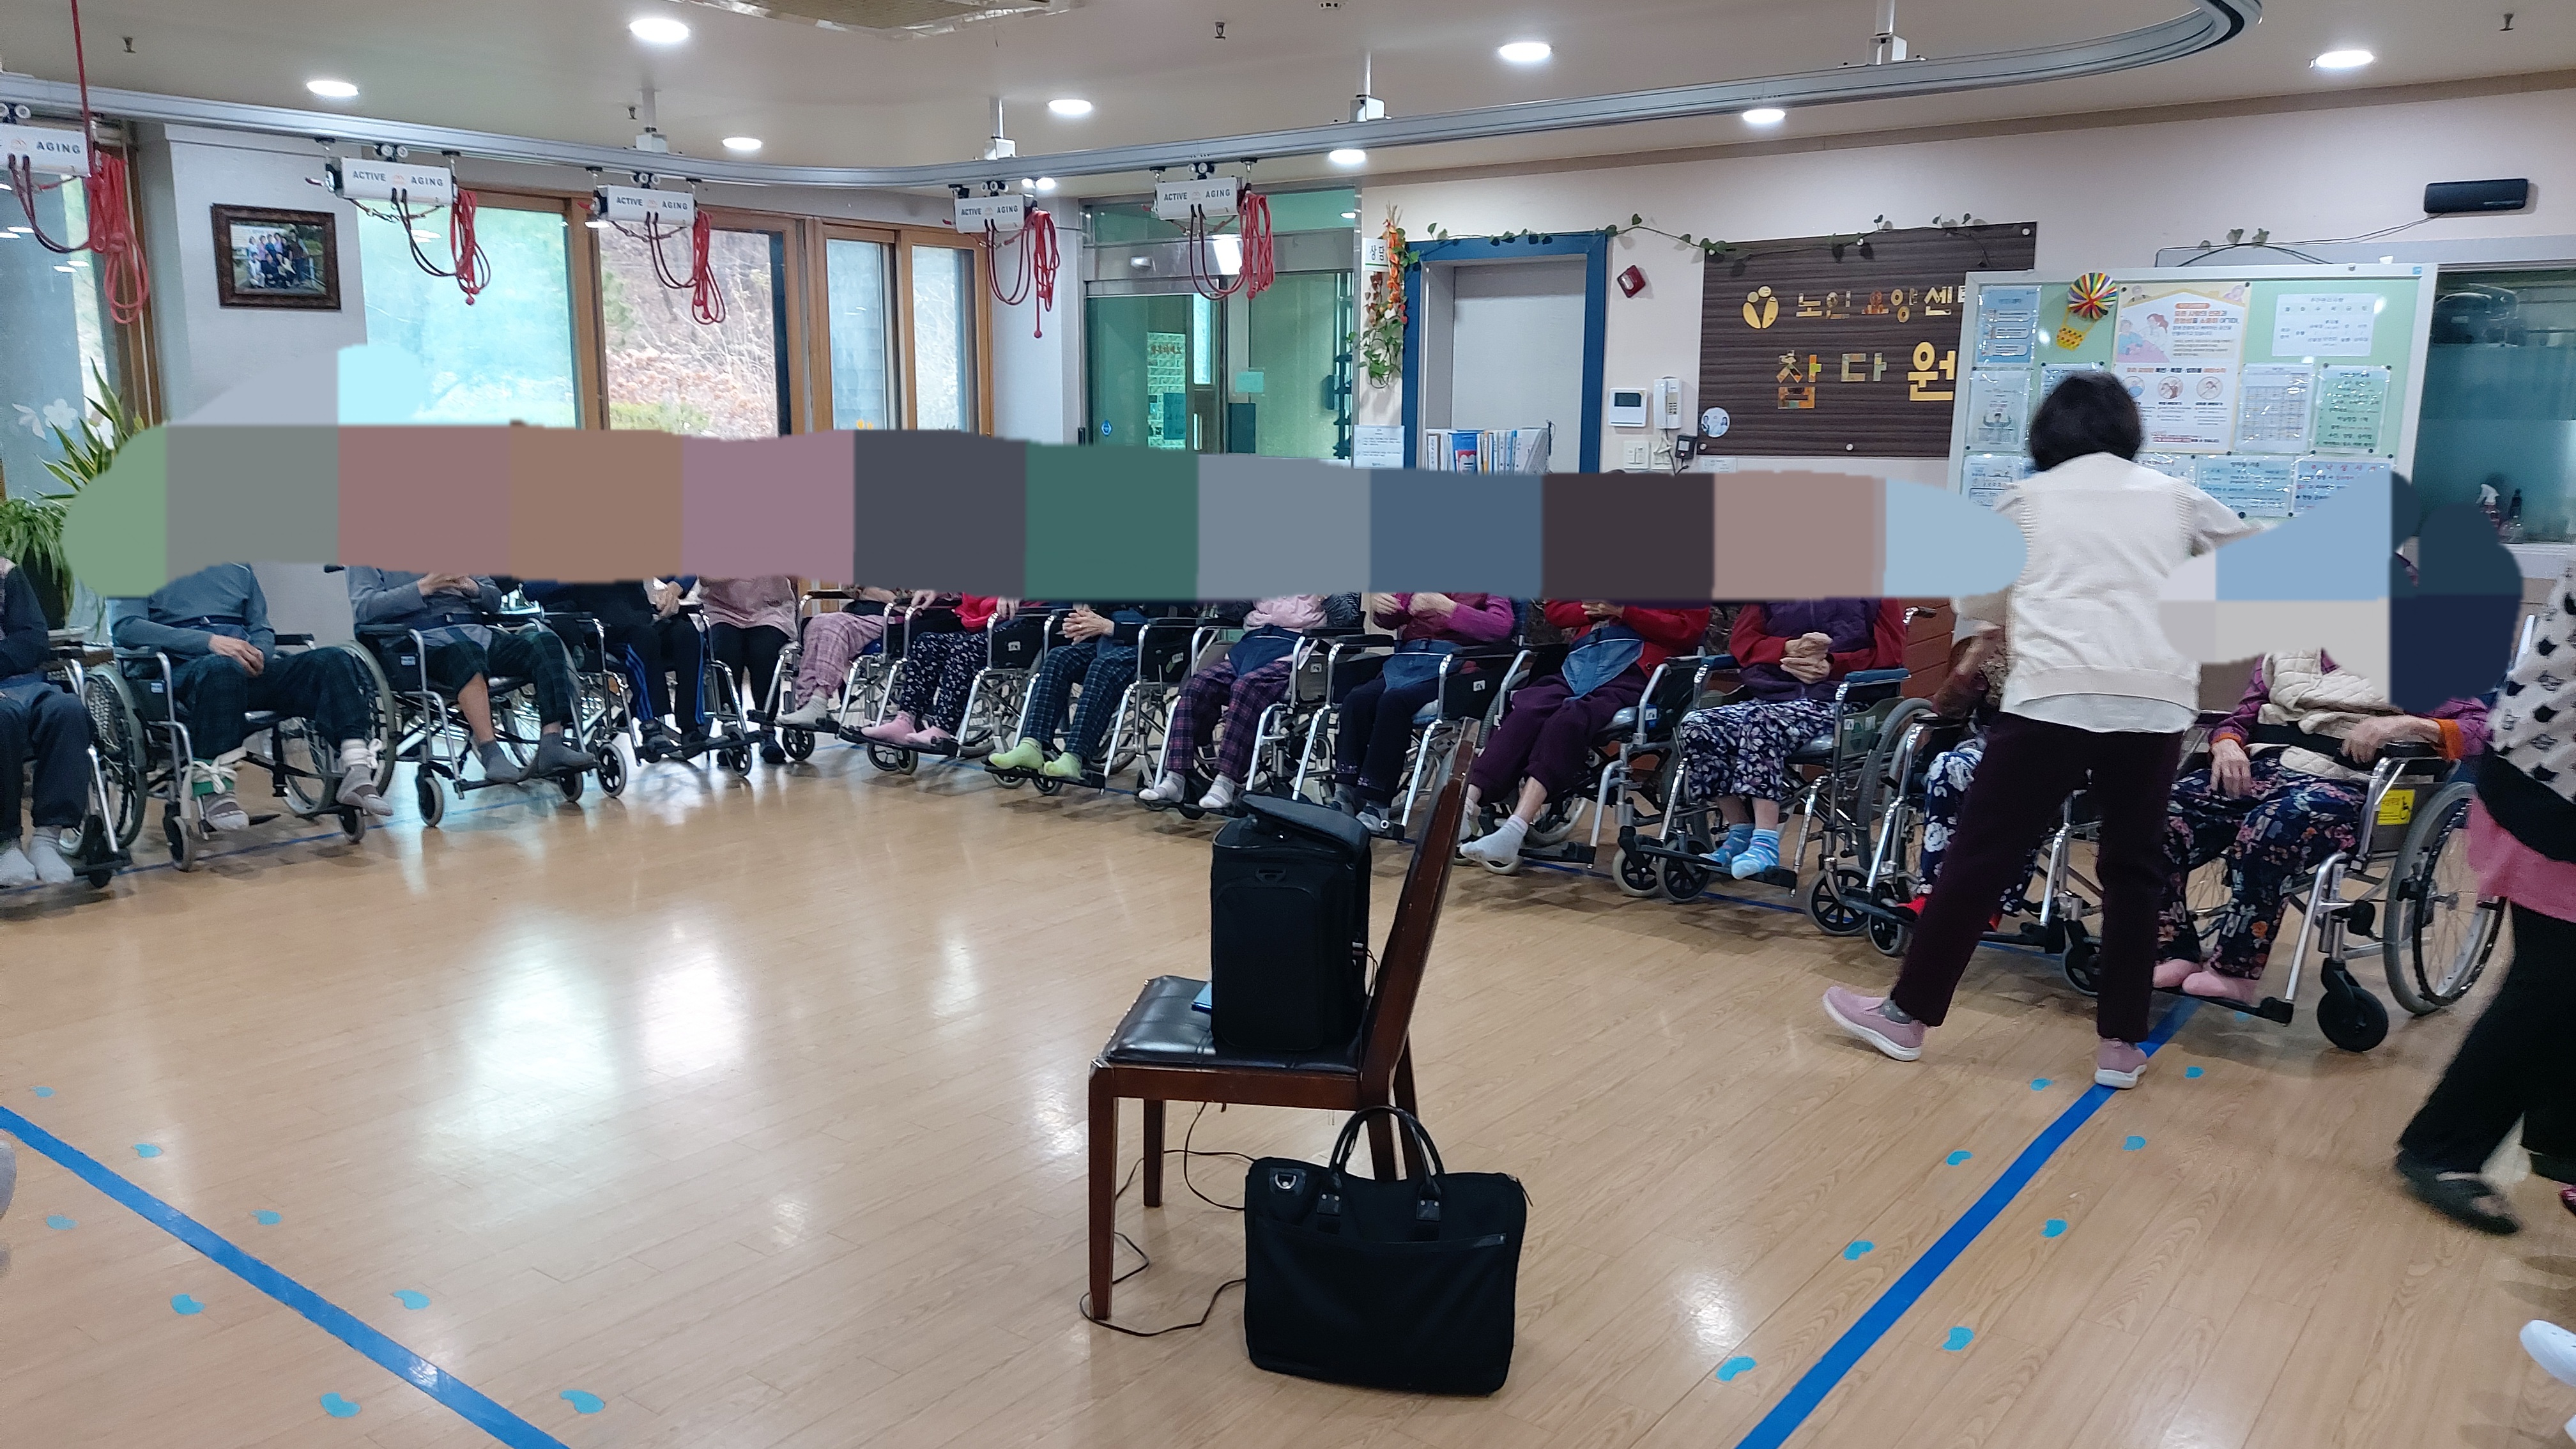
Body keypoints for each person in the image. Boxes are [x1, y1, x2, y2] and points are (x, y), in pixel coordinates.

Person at [1822, 370, 2257, 1089]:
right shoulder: (2179, 496)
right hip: (2153, 703)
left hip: (2052, 697)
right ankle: (2121, 1046)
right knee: (2134, 870)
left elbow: (1977, 600)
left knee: (1982, 857)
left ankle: (1907, 1015)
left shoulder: (2027, 499)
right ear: (2128, 431)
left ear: (2047, 433)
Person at [2394, 565, 2576, 1234]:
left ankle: (2560, 1142)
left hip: (2543, 773)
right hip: (2551, 784)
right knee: (2553, 978)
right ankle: (2443, 1146)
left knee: (2561, 980)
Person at [2156, 651, 2487, 1006]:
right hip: (2264, 768)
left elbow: (2481, 729)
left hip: (2346, 781)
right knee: (2158, 816)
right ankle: (2173, 950)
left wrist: (2406, 724)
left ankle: (2235, 970)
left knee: (2274, 825)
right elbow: (2242, 718)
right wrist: (2226, 744)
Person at [108, 564, 394, 827]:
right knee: (221, 668)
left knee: (333, 660)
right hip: (177, 672)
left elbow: (260, 626)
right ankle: (215, 790)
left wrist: (258, 654)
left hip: (243, 668)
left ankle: (356, 770)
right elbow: (127, 627)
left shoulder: (237, 565)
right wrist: (209, 642)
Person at [1456, 599, 1712, 870]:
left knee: (1569, 720)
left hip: (1637, 672)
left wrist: (1625, 611)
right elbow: (1556, 610)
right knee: (1526, 709)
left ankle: (1515, 829)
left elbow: (1687, 631)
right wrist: (1594, 609)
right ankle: (1466, 806)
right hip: (1583, 663)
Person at [1675, 599, 1905, 879]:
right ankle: (1740, 831)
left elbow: (1890, 655)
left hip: (1840, 701)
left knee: (1762, 723)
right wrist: (1786, 649)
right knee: (1697, 725)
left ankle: (1765, 843)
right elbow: (1743, 643)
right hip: (1772, 695)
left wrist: (1833, 665)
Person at [344, 567, 593, 784]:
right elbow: (365, 608)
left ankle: (552, 742)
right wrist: (424, 587)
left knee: (545, 643)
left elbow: (494, 599)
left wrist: (471, 587)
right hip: (418, 643)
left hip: (476, 633)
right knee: (467, 654)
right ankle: (490, 751)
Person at [1138, 594, 1363, 811]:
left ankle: (1226, 782)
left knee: (1247, 687)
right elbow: (1234, 612)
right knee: (1198, 685)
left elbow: (1348, 619)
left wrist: (1326, 595)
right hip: (1254, 646)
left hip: (1302, 652)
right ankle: (1175, 777)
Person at [1330, 592, 1515, 836]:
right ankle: (1345, 792)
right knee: (1357, 699)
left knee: (1394, 703)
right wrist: (1382, 609)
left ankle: (1376, 804)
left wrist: (1449, 609)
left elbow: (1500, 628)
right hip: (1410, 659)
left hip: (1455, 665)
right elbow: (1394, 617)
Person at [986, 600, 1186, 784]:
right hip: (1110, 642)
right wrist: (1082, 618)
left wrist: (1111, 628)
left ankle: (1075, 757)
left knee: (1103, 667)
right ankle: (1031, 744)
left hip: (1153, 650)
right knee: (1058, 658)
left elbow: (1170, 629)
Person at [520, 578, 703, 755]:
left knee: (687, 634)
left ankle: (691, 727)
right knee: (645, 639)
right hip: (599, 629)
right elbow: (531, 589)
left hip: (641, 619)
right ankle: (650, 727)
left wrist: (675, 588)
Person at [0, 556, 88, 886]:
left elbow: (33, 639)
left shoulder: (6, 573)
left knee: (67, 710)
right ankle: (6, 843)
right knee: (3, 717)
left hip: (21, 683)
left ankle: (47, 840)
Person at [857, 594, 1021, 752]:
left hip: (1015, 624)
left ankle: (943, 729)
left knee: (963, 651)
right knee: (927, 643)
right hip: (978, 626)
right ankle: (905, 721)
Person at [692, 576, 800, 762]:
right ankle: (731, 729)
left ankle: (767, 729)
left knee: (764, 653)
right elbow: (706, 577)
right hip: (722, 610)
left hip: (769, 609)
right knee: (725, 652)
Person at [776, 588, 902, 730]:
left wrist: (881, 594)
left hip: (892, 617)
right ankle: (806, 702)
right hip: (860, 612)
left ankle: (819, 699)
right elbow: (850, 588)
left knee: (836, 625)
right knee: (818, 622)